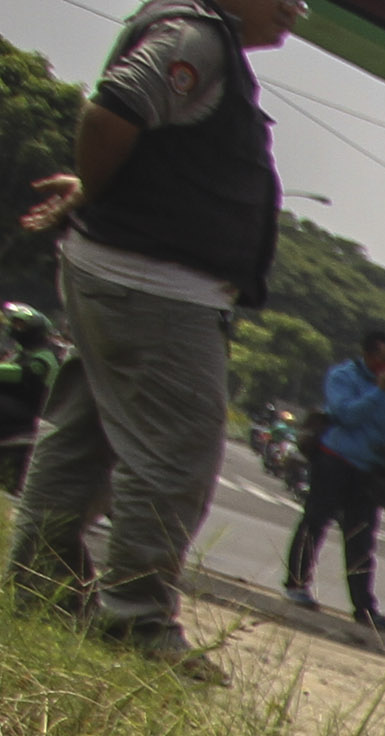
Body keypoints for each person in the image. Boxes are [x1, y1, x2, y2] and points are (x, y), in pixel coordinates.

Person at [6, 0, 295, 682]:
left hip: (129, 275)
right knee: (176, 458)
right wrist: (94, 194)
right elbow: (114, 108)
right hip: (156, 289)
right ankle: (135, 620)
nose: (296, 12)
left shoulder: (205, 44)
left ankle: (38, 586)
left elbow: (142, 138)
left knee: (82, 436)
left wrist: (97, 191)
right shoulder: (195, 37)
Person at [279, 326, 385, 628]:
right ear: (370, 355)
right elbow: (345, 414)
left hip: (369, 470)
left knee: (361, 539)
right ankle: (296, 584)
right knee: (315, 522)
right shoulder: (344, 377)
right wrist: (378, 392)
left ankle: (364, 607)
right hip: (335, 460)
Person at [0, 302, 57, 490]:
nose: (15, 329)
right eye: (14, 324)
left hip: (34, 416)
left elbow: (23, 374)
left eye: (21, 325)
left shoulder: (44, 356)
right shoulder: (20, 353)